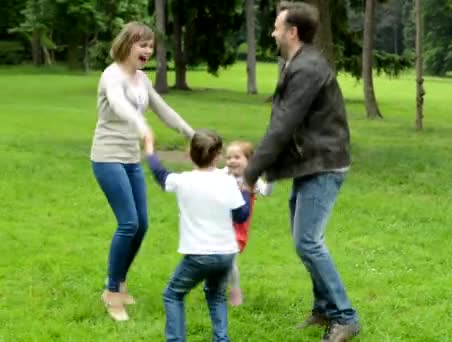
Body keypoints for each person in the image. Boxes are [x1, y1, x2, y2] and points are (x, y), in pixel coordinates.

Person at [242, 2, 360, 341]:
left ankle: (346, 316)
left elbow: (282, 126)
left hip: (324, 164)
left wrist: (251, 173)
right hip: (311, 163)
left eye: (277, 26)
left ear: (292, 32)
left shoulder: (307, 68)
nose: (273, 31)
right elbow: (285, 125)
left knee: (308, 242)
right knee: (303, 241)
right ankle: (324, 308)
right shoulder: (296, 62)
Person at [90, 21, 195, 321]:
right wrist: (141, 126)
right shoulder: (112, 75)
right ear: (127, 44)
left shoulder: (142, 80)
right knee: (128, 223)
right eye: (142, 44)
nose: (148, 50)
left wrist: (192, 134)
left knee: (143, 224)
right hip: (107, 156)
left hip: (130, 159)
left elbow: (164, 110)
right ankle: (111, 293)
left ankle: (120, 283)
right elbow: (119, 104)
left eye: (151, 46)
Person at [144, 129, 250, 342]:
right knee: (216, 295)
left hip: (198, 255)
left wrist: (149, 150)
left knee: (173, 295)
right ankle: (222, 339)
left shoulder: (182, 180)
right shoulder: (227, 181)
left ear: (189, 154)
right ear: (218, 155)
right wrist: (246, 189)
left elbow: (159, 174)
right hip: (226, 254)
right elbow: (241, 216)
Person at [222, 140, 273, 306]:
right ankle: (218, 287)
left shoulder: (252, 180)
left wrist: (272, 177)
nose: (231, 161)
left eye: (237, 157)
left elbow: (266, 192)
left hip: (238, 228)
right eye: (228, 157)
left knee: (229, 260)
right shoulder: (222, 175)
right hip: (219, 226)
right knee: (218, 259)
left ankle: (235, 290)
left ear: (249, 161)